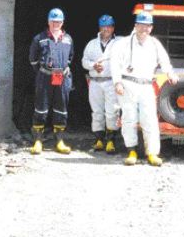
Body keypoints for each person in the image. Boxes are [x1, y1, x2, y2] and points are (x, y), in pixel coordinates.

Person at [110, 11, 178, 166]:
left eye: (147, 26)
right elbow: (115, 63)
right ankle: (131, 151)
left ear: (151, 28)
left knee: (150, 119)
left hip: (146, 85)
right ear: (136, 25)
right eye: (141, 25)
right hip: (128, 84)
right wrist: (117, 83)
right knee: (129, 118)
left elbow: (164, 61)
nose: (144, 29)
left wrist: (170, 74)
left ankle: (152, 153)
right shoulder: (124, 43)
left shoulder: (154, 43)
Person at [28, 8, 74, 155]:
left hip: (61, 77)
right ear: (48, 21)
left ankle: (59, 141)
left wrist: (61, 69)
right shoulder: (39, 38)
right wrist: (44, 73)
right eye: (53, 21)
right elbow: (33, 59)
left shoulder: (68, 39)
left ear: (62, 22)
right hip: (45, 77)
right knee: (41, 108)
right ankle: (38, 141)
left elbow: (70, 58)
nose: (56, 23)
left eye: (59, 21)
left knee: (61, 108)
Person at [82, 14, 121, 153]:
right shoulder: (92, 44)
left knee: (112, 111)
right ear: (99, 27)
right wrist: (93, 65)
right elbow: (84, 61)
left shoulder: (119, 42)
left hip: (111, 81)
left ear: (113, 28)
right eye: (103, 27)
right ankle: (98, 139)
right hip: (95, 82)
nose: (106, 29)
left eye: (109, 26)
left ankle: (111, 140)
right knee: (97, 111)